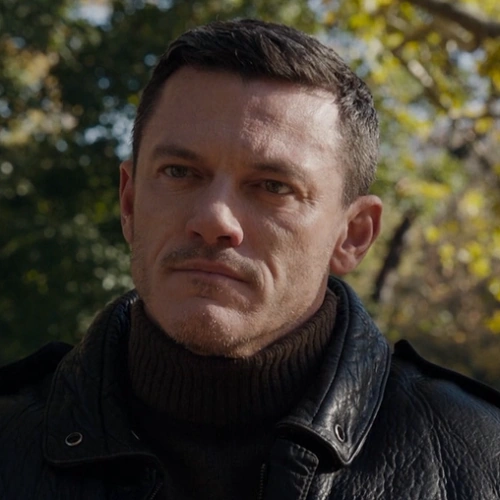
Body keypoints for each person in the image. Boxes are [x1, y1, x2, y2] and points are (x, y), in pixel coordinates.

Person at [1, 18, 499, 500]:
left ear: (353, 235)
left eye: (273, 187)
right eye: (179, 172)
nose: (214, 219)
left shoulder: (480, 462)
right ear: (129, 203)